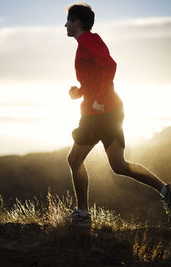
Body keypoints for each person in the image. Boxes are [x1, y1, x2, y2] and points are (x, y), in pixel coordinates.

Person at [65, 3, 171, 226]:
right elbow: (96, 76)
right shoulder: (88, 43)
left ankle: (82, 215)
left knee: (74, 160)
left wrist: (98, 100)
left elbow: (110, 66)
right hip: (110, 110)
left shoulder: (88, 41)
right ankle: (166, 190)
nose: (64, 25)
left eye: (68, 20)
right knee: (119, 165)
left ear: (76, 22)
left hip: (98, 113)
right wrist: (81, 91)